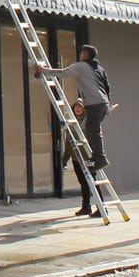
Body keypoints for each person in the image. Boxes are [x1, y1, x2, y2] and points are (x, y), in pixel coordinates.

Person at [47, 45, 116, 216]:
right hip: (101, 103)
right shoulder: (99, 68)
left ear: (84, 55)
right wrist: (107, 106)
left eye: (81, 53)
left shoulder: (81, 66)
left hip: (94, 103)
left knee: (91, 129)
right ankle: (98, 158)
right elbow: (107, 86)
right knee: (94, 130)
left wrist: (44, 71)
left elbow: (63, 72)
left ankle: (100, 158)